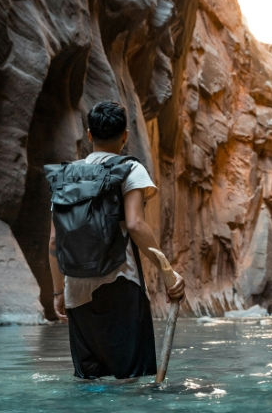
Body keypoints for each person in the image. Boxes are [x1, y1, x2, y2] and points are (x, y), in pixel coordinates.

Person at [48, 100, 185, 380]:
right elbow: (135, 224)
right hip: (120, 283)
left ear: (89, 134)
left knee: (90, 381)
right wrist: (167, 273)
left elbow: (53, 242)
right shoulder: (130, 168)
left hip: (76, 289)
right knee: (129, 378)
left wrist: (58, 293)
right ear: (125, 136)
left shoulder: (66, 176)